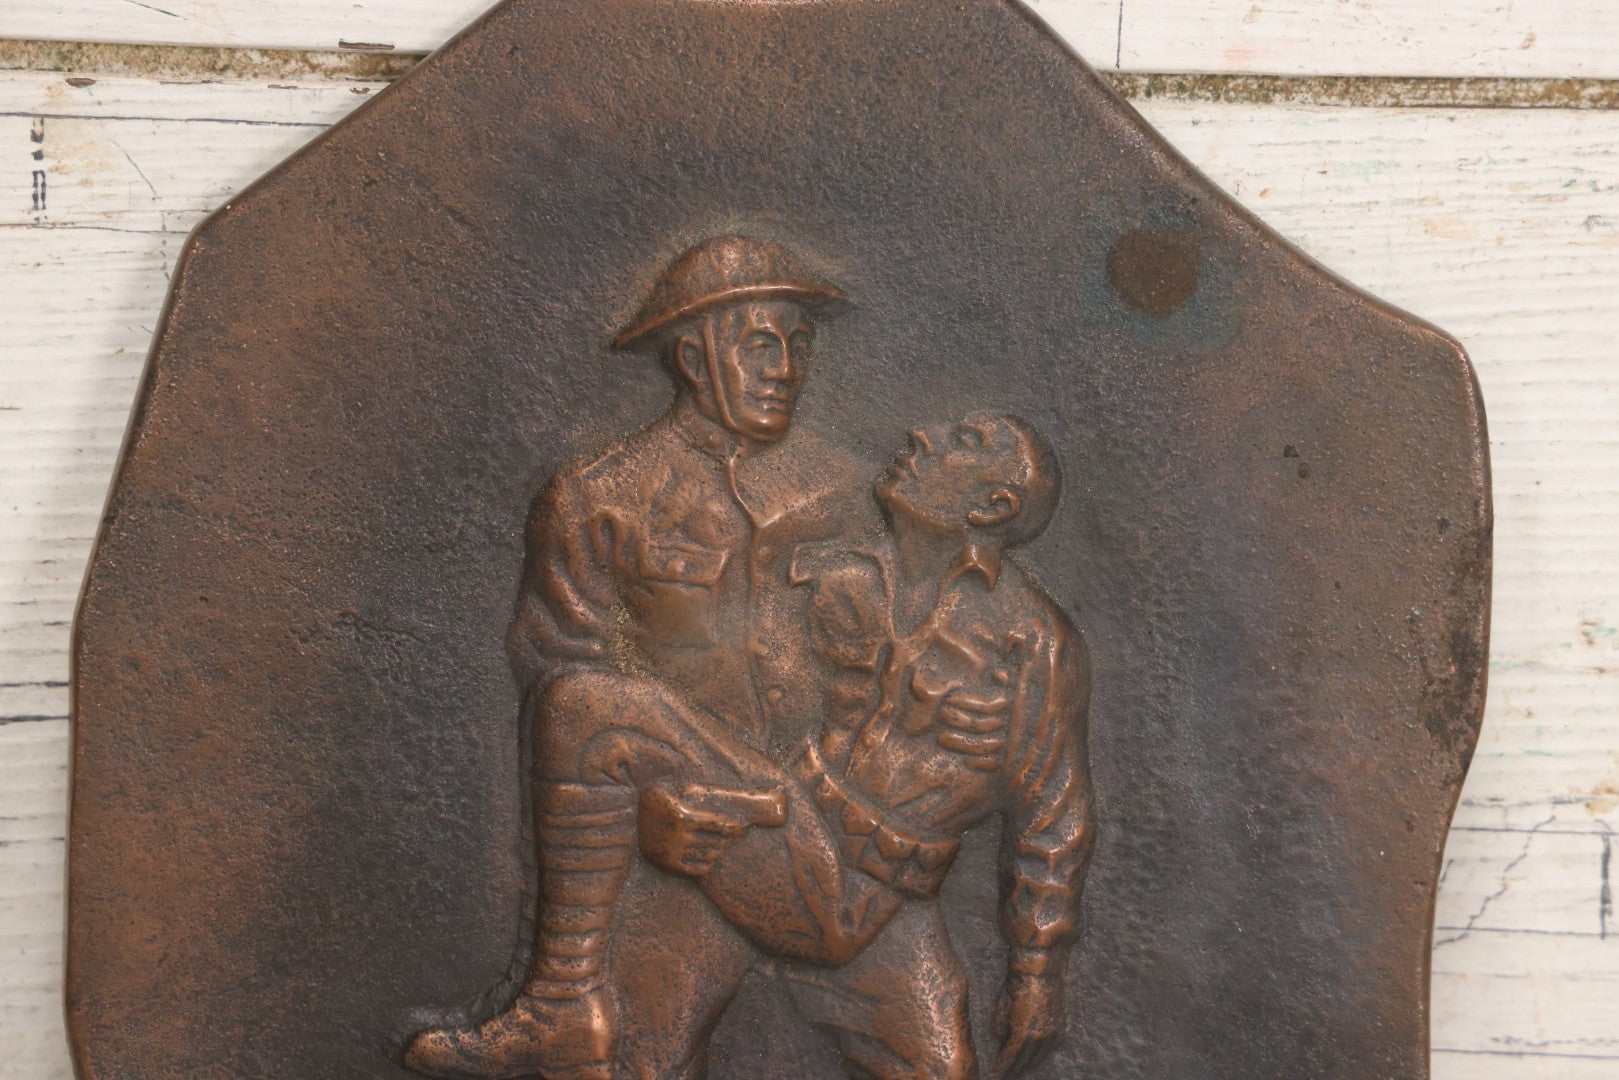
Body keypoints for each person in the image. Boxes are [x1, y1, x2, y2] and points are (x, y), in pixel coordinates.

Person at [407, 236, 924, 1080]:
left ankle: (561, 1000)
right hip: (693, 840)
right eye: (760, 343)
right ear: (691, 356)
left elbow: (915, 670)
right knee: (638, 1066)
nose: (784, 366)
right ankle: (564, 1000)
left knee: (943, 1063)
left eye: (798, 343)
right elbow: (557, 693)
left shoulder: (851, 493)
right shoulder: (597, 496)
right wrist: (650, 814)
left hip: (842, 837)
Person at [782, 412, 1094, 1080]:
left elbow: (1051, 816)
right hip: (762, 839)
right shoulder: (820, 570)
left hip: (885, 896)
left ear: (995, 506)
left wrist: (1035, 972)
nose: (923, 436)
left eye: (964, 442)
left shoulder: (1031, 641)